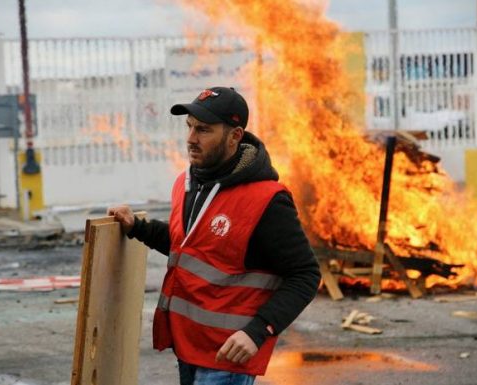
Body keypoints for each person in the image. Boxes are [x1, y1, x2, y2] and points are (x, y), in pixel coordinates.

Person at [108, 86, 320, 385]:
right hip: (187, 346)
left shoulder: (266, 200)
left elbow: (306, 275)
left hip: (227, 357)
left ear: (235, 136)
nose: (191, 139)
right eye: (190, 127)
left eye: (204, 130)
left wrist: (258, 331)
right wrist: (138, 227)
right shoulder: (188, 183)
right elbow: (191, 245)